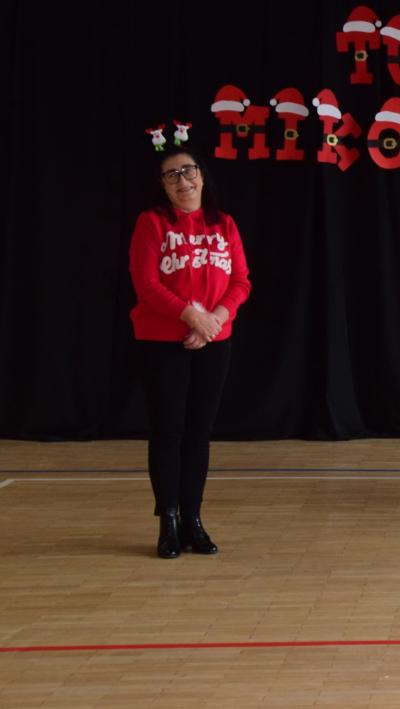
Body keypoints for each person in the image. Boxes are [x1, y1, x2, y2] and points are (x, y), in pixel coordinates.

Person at [128, 130, 251, 558]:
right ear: (162, 185)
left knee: (199, 432)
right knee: (168, 430)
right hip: (162, 342)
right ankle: (169, 521)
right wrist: (191, 316)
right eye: (172, 175)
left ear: (201, 174)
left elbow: (241, 281)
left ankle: (194, 519)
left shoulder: (224, 224)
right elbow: (147, 284)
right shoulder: (151, 223)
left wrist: (215, 319)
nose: (183, 180)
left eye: (188, 171)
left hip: (214, 340)